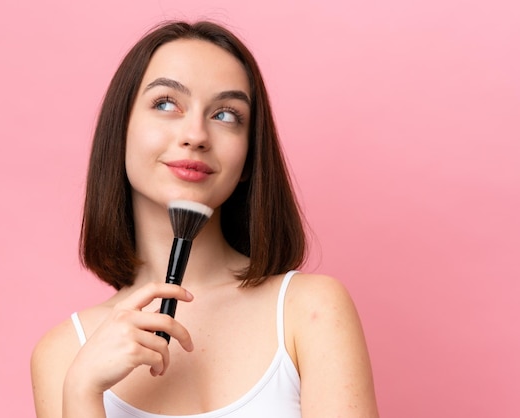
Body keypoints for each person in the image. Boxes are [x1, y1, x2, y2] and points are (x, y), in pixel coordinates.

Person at [31, 20, 379, 418]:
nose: (196, 134)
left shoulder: (311, 310)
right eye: (165, 103)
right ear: (120, 130)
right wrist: (81, 393)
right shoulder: (64, 355)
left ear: (249, 155)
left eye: (227, 115)